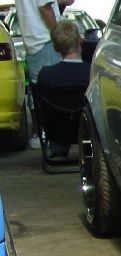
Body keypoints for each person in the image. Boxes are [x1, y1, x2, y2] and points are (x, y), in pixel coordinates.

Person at [34, 21, 90, 159]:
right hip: (87, 130)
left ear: (55, 47)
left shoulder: (45, 75)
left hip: (57, 132)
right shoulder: (92, 72)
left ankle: (58, 150)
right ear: (79, 40)